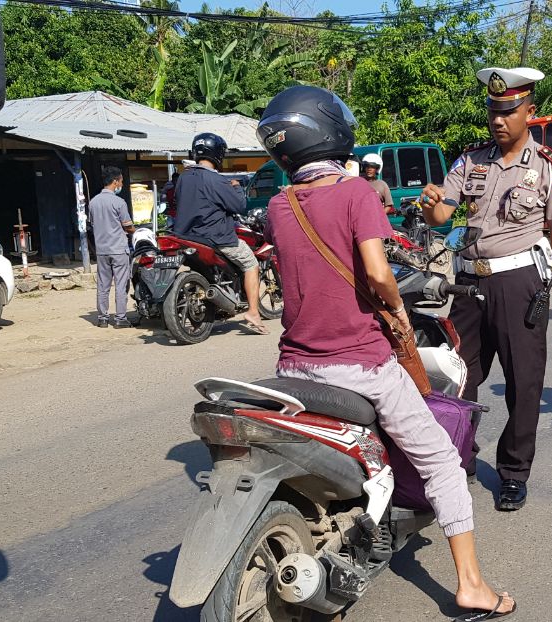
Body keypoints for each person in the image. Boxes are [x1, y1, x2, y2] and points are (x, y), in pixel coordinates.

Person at [257, 85, 517, 621]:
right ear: (334, 132)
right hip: (360, 366)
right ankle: (470, 585)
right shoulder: (357, 193)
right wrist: (395, 308)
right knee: (443, 462)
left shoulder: (279, 205)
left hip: (293, 366)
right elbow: (378, 274)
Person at [418, 66, 552, 512]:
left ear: (530, 111)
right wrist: (434, 207)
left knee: (523, 383)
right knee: (458, 377)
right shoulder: (468, 161)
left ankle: (513, 473)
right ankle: (460, 458)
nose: (498, 119)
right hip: (468, 283)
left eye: (508, 111)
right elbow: (441, 217)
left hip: (520, 283)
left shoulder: (550, 169)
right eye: (492, 111)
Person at [173, 132, 269, 335]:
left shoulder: (183, 178)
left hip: (186, 237)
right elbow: (239, 206)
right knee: (251, 264)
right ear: (218, 154)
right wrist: (236, 188)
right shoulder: (216, 180)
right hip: (216, 238)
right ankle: (253, 311)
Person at [88, 166, 135, 328]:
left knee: (103, 285)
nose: (121, 184)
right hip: (118, 249)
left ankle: (102, 318)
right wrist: (136, 230)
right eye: (121, 181)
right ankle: (121, 319)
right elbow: (128, 226)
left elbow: (93, 224)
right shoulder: (119, 202)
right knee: (121, 284)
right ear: (115, 182)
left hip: (102, 250)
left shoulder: (93, 202)